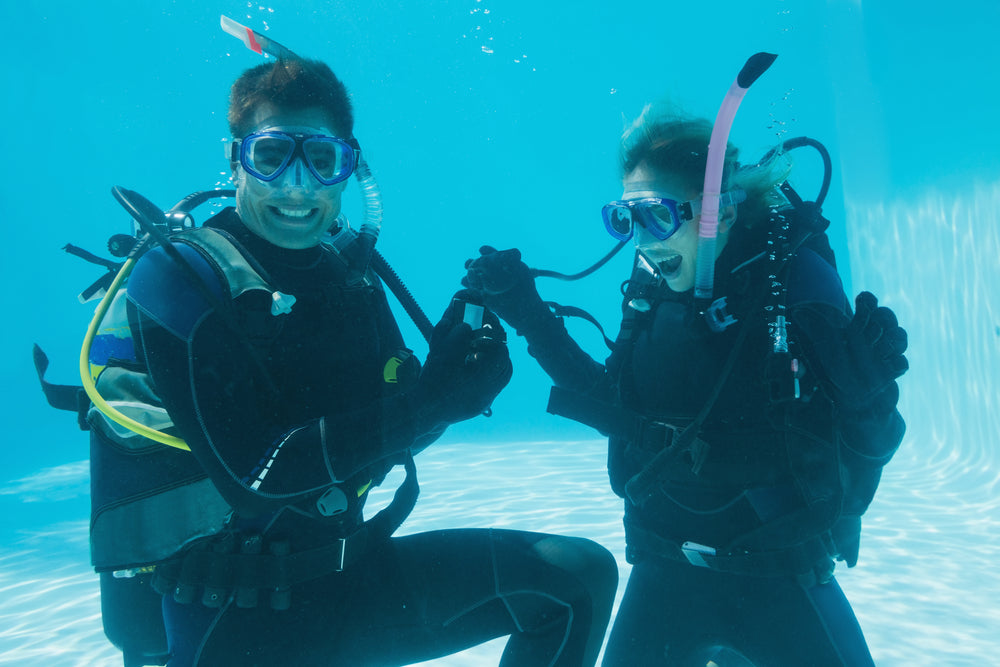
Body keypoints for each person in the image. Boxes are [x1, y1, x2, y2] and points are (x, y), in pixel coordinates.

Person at [81, 53, 618, 667]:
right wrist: (434, 400)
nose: (298, 185)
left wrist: (453, 378)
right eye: (271, 155)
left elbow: (390, 435)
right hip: (227, 619)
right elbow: (256, 480)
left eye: (322, 159)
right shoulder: (184, 279)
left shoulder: (348, 276)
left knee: (577, 579)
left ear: (351, 168)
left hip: (348, 576)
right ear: (236, 160)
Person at [463, 103, 908, 665]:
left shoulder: (792, 284)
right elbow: (611, 404)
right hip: (664, 569)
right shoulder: (649, 294)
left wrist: (871, 397)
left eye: (654, 217)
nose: (640, 241)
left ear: (717, 213)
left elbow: (873, 440)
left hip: (782, 577)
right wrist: (527, 312)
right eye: (624, 219)